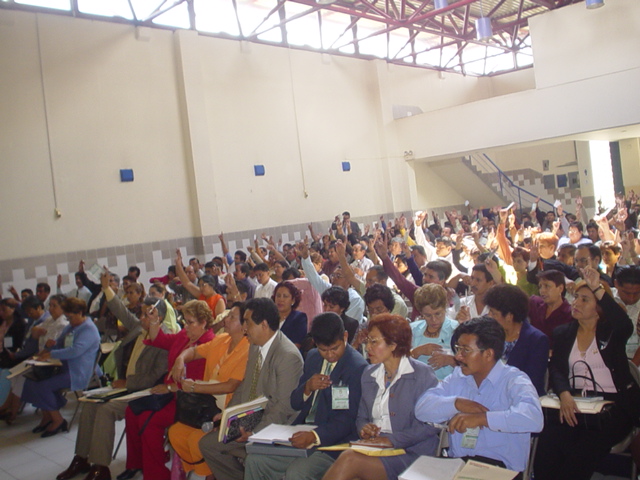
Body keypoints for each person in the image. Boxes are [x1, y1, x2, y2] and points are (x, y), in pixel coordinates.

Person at [534, 267, 640, 480]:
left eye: (585, 300)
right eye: (576, 298)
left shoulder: (612, 332)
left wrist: (597, 288)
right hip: (575, 402)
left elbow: (623, 323)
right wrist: (564, 394)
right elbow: (557, 369)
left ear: (599, 307)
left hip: (614, 406)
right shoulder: (563, 333)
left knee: (583, 449)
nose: (576, 303)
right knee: (549, 443)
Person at [244, 312, 368, 480]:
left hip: (333, 443)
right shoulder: (313, 357)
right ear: (315, 343)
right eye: (323, 350)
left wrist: (315, 436)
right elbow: (295, 403)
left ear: (345, 336)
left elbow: (347, 420)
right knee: (255, 461)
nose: (330, 355)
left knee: (297, 473)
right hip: (302, 430)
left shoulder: (356, 367)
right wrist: (307, 388)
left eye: (335, 348)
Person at [55, 297, 169, 480]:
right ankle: (81, 458)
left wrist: (128, 383)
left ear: (159, 317)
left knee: (105, 410)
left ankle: (101, 467)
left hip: (143, 392)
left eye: (146, 315)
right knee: (90, 404)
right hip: (125, 386)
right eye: (142, 314)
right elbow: (121, 312)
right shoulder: (139, 330)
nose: (141, 318)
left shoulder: (164, 338)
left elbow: (155, 376)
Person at [415, 316, 544, 475]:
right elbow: (421, 410)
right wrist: (456, 403)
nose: (458, 356)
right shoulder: (458, 377)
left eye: (465, 350)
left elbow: (534, 418)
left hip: (500, 469)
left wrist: (483, 419)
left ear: (488, 354)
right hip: (459, 463)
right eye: (458, 348)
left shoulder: (514, 380)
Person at [321, 314, 439, 480]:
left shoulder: (421, 375)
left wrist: (392, 440)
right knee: (348, 460)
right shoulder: (369, 374)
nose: (368, 347)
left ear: (393, 344)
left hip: (411, 453)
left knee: (349, 460)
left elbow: (431, 425)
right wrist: (365, 429)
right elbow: (361, 417)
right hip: (377, 450)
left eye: (374, 341)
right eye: (368, 341)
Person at [198, 298, 303, 480]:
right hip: (252, 417)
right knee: (207, 444)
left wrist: (254, 433)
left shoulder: (287, 356)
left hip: (276, 424)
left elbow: (283, 408)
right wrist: (229, 416)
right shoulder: (255, 345)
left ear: (264, 325)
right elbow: (245, 386)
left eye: (247, 322)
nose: (244, 328)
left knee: (231, 449)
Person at [121, 300, 215, 480]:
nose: (185, 326)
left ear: (203, 323)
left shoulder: (209, 343)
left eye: (190, 322)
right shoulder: (184, 336)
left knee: (149, 421)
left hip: (189, 401)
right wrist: (154, 321)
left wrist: (171, 387)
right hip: (171, 395)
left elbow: (199, 381)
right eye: (185, 321)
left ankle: (156, 474)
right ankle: (137, 463)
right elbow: (160, 340)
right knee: (131, 411)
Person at [167, 302, 250, 478]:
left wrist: (196, 387)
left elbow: (231, 386)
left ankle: (209, 475)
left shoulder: (249, 349)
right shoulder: (221, 340)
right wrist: (180, 360)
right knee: (176, 433)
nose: (226, 320)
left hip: (227, 412)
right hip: (206, 408)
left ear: (245, 325)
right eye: (227, 315)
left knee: (196, 440)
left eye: (232, 317)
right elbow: (194, 352)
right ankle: (206, 472)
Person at [22, 297, 100, 437]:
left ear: (80, 313)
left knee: (43, 386)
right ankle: (47, 415)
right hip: (62, 368)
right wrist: (49, 347)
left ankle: (58, 420)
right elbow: (60, 343)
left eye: (70, 317)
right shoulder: (71, 327)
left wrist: (52, 354)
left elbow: (75, 351)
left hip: (77, 372)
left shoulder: (88, 329)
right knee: (31, 381)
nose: (69, 320)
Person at [483, 284, 549, 396]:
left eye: (493, 313)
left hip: (520, 398)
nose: (489, 316)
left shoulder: (536, 340)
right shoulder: (490, 334)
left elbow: (532, 382)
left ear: (509, 316)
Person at [410, 284, 458, 380]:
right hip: (417, 383)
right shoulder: (412, 329)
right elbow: (398, 362)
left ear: (445, 307)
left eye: (438, 314)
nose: (434, 320)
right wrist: (416, 352)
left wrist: (450, 360)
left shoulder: (456, 329)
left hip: (448, 384)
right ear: (421, 313)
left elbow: (470, 365)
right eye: (427, 315)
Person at [175, 249, 226, 317]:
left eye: (203, 285)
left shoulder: (219, 300)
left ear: (211, 285)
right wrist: (178, 265)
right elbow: (187, 283)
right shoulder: (201, 295)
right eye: (200, 286)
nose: (201, 288)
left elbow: (219, 320)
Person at [528, 269, 572, 341]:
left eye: (547, 286)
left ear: (560, 288)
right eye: (540, 286)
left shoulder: (570, 314)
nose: (542, 291)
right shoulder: (534, 303)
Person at [273, 281, 308, 347]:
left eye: (285, 296)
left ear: (293, 300)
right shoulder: (269, 317)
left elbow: (296, 345)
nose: (281, 299)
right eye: (278, 296)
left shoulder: (299, 318)